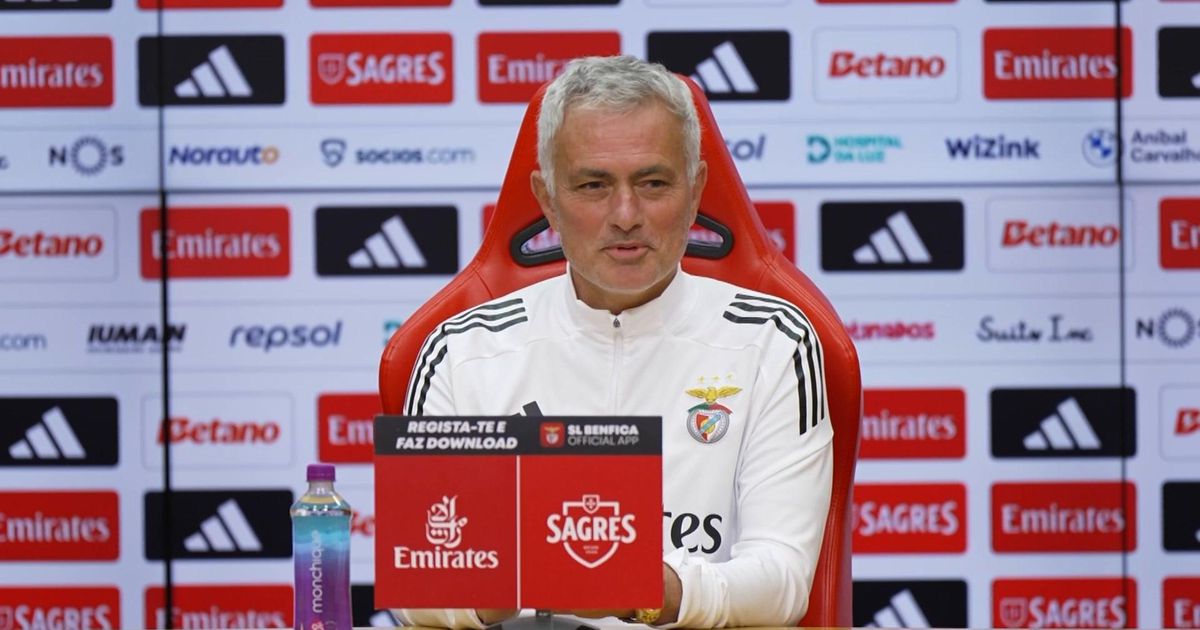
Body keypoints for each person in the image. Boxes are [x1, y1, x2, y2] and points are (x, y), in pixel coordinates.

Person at [396, 55, 833, 628]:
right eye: (593, 185)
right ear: (548, 200)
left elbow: (782, 582)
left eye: (653, 183)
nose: (626, 215)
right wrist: (521, 575)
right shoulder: (461, 351)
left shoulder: (773, 341)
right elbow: (418, 592)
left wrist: (639, 588)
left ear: (695, 190)